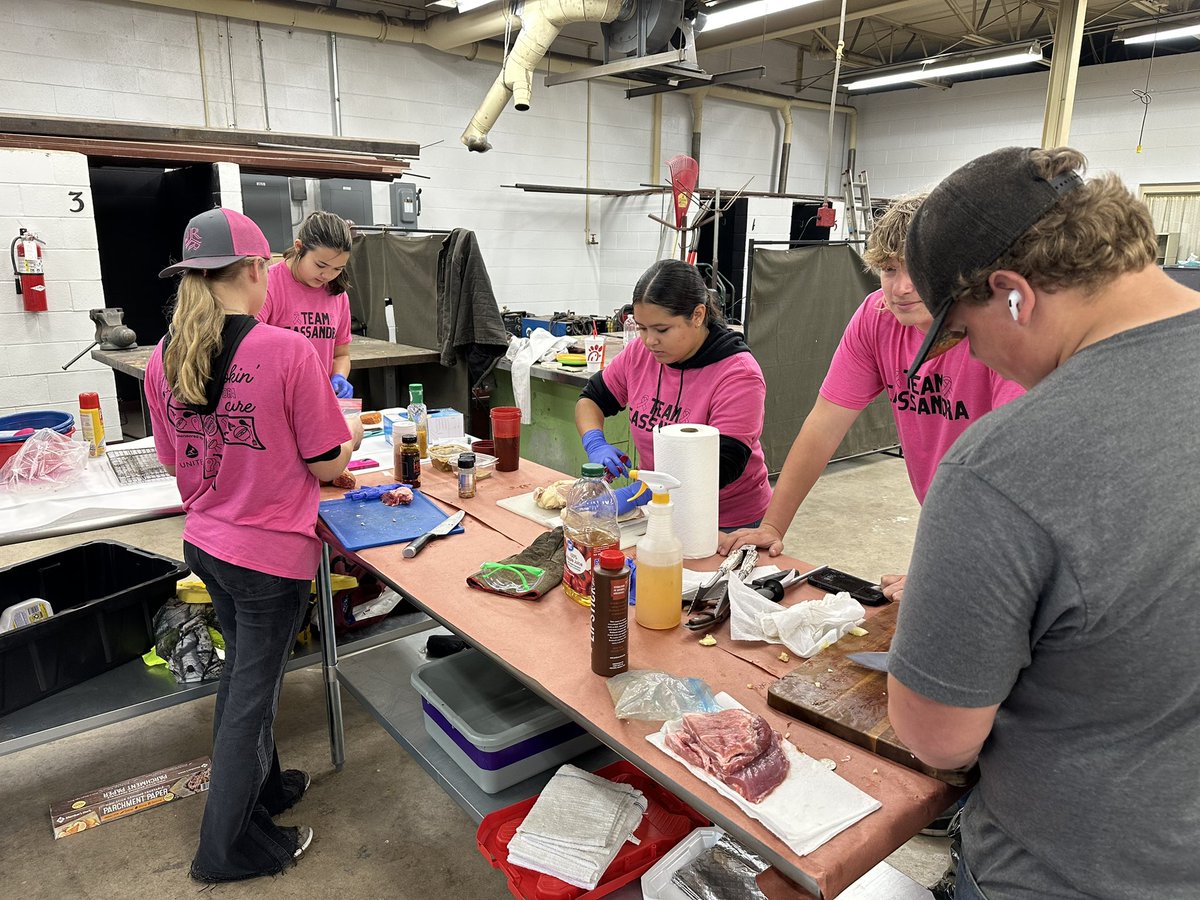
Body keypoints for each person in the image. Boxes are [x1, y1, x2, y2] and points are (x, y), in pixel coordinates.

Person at [888, 146, 1200, 899]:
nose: (983, 361)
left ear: (1013, 294)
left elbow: (937, 736)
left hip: (1072, 871)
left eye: (964, 333)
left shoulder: (1002, 467)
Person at [145, 208, 362, 883]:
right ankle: (226, 850)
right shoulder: (285, 350)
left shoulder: (165, 355)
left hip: (207, 541)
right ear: (254, 270)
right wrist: (342, 448)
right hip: (267, 556)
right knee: (249, 697)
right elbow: (327, 462)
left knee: (246, 679)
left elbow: (168, 453)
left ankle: (264, 793)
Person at [719, 195, 1023, 601]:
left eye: (918, 269)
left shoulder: (1002, 328)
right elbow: (825, 423)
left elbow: (1014, 472)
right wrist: (773, 525)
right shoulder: (876, 317)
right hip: (945, 514)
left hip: (1015, 527)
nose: (900, 287)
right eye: (889, 269)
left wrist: (947, 569)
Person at [575, 259, 771, 531]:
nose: (649, 341)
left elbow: (721, 468)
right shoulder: (640, 355)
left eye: (662, 329)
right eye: (642, 328)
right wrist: (595, 443)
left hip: (726, 521)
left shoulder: (738, 374)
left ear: (698, 315)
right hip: (659, 510)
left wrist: (646, 490)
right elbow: (591, 399)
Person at [257, 210, 355, 399]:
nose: (327, 275)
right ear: (299, 247)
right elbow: (249, 346)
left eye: (337, 269)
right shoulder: (268, 285)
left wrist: (339, 376)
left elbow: (341, 354)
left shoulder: (337, 294)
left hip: (318, 400)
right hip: (276, 397)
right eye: (320, 265)